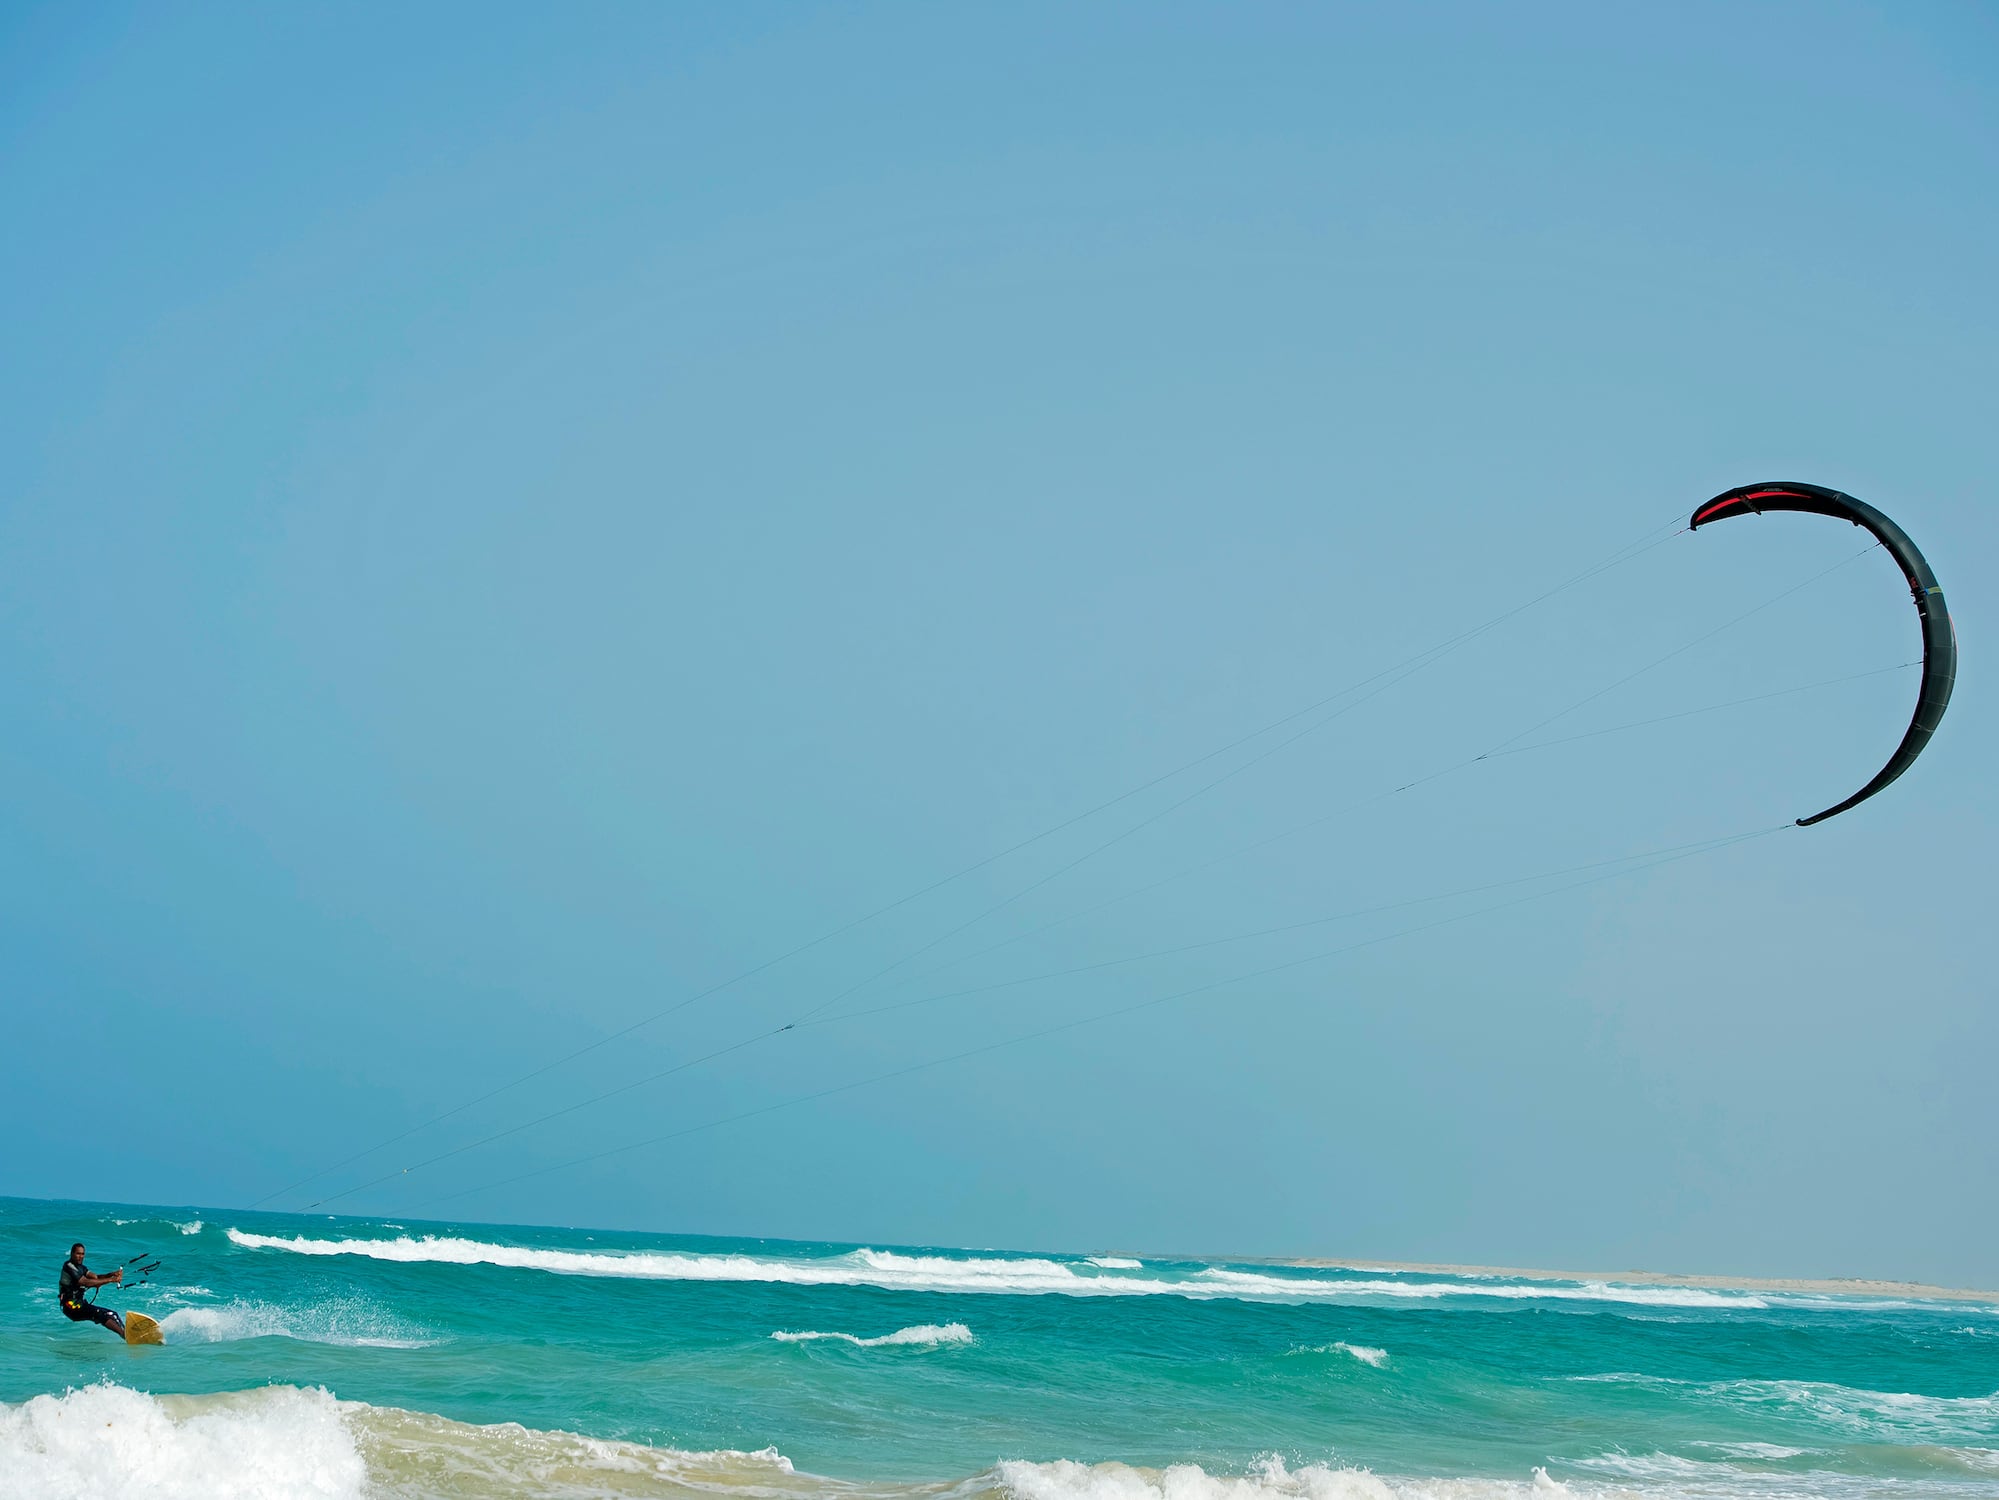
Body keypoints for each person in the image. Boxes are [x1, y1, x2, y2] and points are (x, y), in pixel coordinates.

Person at [58, 1243, 126, 1338]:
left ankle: (127, 1334)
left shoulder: (81, 1268)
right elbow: (85, 1282)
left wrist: (111, 1274)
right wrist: (111, 1280)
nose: (80, 1256)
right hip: (71, 1306)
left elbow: (96, 1277)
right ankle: (125, 1336)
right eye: (78, 1253)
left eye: (82, 1254)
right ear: (72, 1253)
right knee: (101, 1314)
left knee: (113, 1314)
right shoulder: (69, 1267)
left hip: (80, 1305)